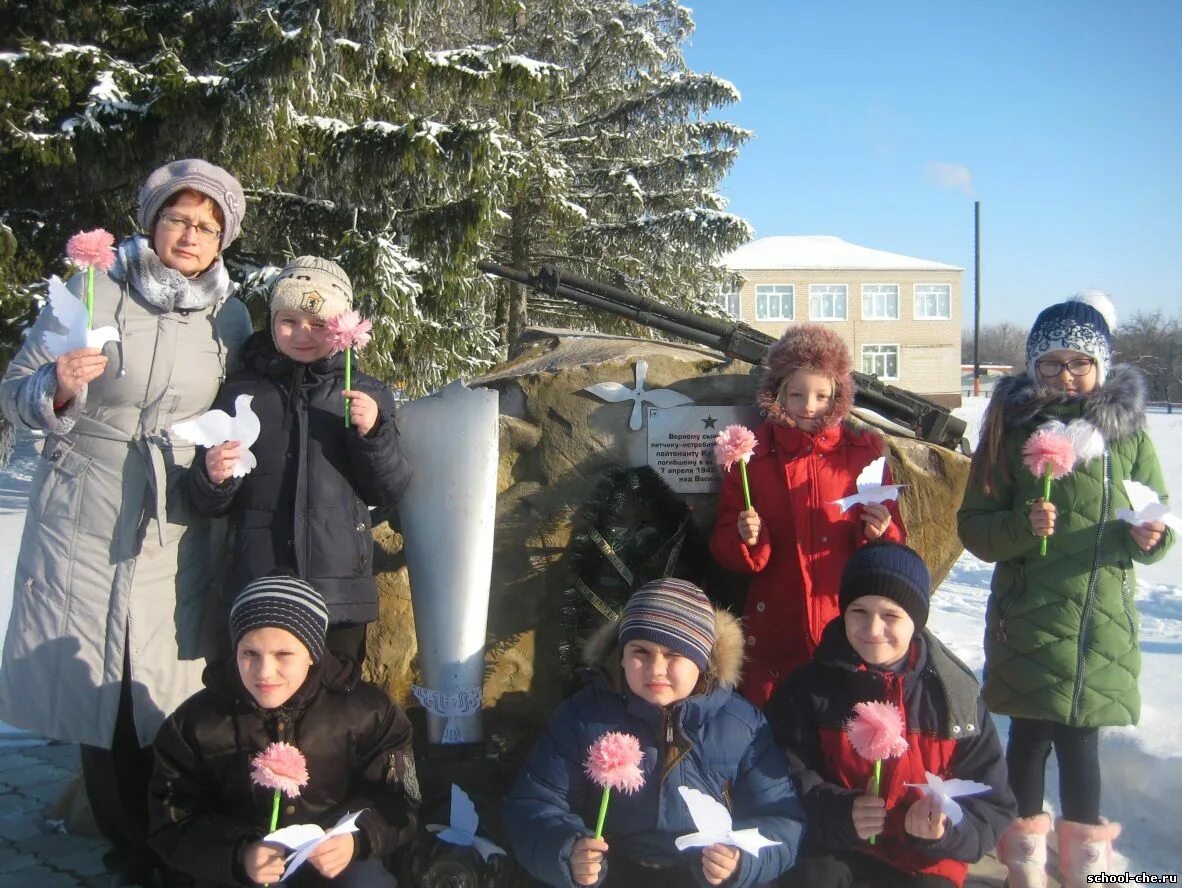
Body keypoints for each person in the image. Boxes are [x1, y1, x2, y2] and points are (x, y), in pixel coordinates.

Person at [0, 159, 253, 881]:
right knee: (101, 691)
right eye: (179, 218)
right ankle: (127, 849)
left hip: (176, 510)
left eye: (207, 226)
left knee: (167, 685)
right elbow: (14, 391)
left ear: (222, 239)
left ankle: (174, 842)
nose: (191, 235)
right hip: (87, 502)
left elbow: (233, 403)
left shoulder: (227, 313)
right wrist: (54, 385)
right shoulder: (93, 288)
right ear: (151, 221)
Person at [957, 292, 1174, 888]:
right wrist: (1022, 527)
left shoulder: (1127, 435)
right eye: (1050, 362)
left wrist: (1152, 536)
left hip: (1099, 617)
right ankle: (1024, 857)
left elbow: (1155, 514)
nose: (1065, 374)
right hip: (1028, 615)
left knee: (1083, 738)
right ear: (1031, 366)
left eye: (1079, 362)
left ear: (1101, 367)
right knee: (1028, 736)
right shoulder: (1006, 431)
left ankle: (1087, 864)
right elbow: (974, 526)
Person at [503, 578, 804, 887]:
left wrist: (740, 862)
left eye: (673, 654)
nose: (655, 668)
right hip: (611, 867)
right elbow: (535, 804)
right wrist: (567, 850)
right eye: (641, 652)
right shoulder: (583, 717)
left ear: (702, 662)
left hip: (703, 873)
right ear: (621, 655)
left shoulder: (742, 726)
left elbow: (782, 819)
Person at [187, 256, 410, 663]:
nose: (302, 334)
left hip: (337, 591)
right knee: (261, 696)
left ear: (343, 329)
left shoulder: (366, 394)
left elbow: (388, 488)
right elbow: (207, 504)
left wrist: (373, 433)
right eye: (289, 321)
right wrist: (212, 477)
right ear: (271, 322)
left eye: (318, 323)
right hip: (259, 581)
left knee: (334, 706)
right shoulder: (242, 392)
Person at [765, 542, 1017, 888]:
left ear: (915, 620)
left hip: (924, 862)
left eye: (891, 615)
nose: (871, 630)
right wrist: (839, 812)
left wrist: (944, 830)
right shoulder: (810, 689)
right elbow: (781, 775)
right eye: (858, 612)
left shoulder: (953, 695)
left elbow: (992, 804)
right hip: (837, 846)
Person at [149, 574, 418, 887]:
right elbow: (171, 818)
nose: (264, 672)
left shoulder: (368, 712)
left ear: (313, 652)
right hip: (240, 869)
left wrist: (357, 840)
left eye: (283, 655)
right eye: (249, 653)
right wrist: (239, 854)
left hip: (336, 859)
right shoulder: (196, 723)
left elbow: (398, 798)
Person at [710, 323, 906, 705]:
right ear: (777, 393)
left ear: (838, 395)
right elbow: (723, 540)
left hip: (845, 619)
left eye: (821, 395)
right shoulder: (751, 458)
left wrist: (879, 532)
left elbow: (894, 536)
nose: (809, 406)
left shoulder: (862, 454)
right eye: (796, 394)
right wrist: (747, 540)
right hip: (776, 628)